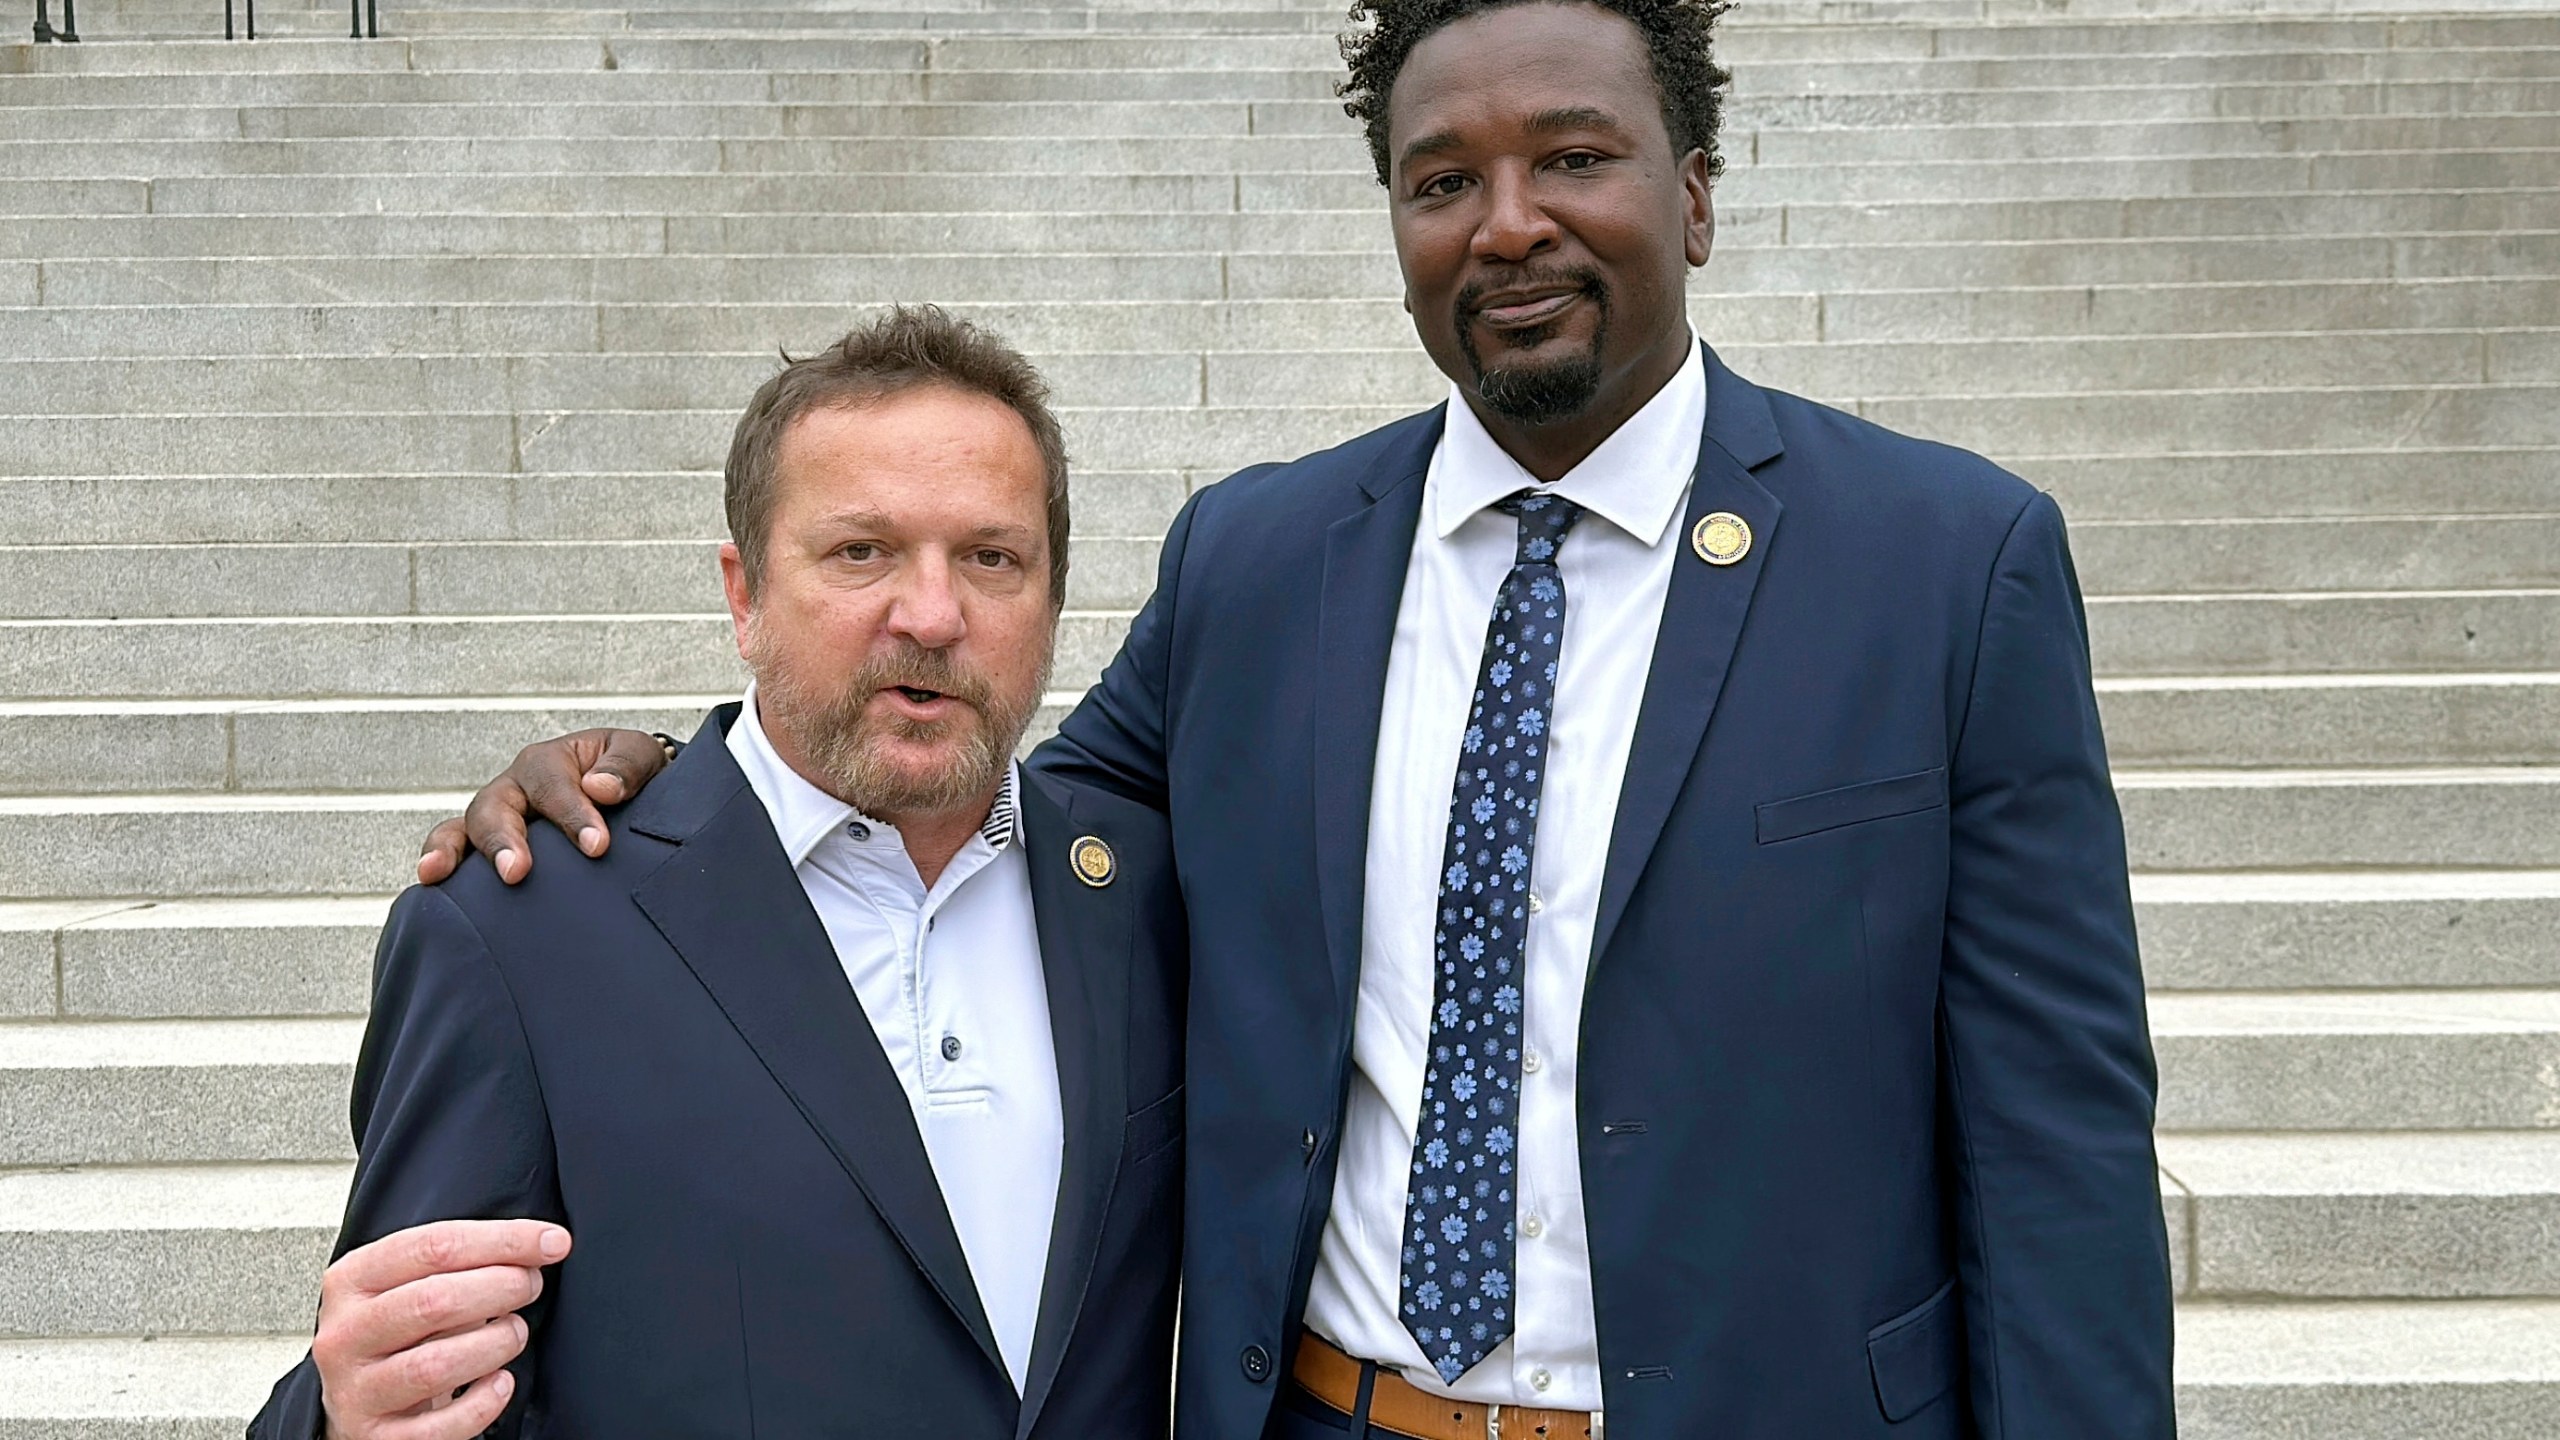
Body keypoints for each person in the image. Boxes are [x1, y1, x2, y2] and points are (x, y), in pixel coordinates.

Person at [422, 1, 2176, 1435]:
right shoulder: (1261, 560)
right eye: (1442, 179)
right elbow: (982, 790)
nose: (1508, 222)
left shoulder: (1949, 567)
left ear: (1696, 191)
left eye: (1574, 157)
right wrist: (666, 780)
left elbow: (2059, 1147)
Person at [255, 308, 1186, 1440]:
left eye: (991, 558)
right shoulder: (517, 934)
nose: (933, 615)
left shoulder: (1144, 891)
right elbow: (410, 1374)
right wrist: (339, 1416)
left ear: (1050, 598)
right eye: (862, 552)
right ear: (744, 596)